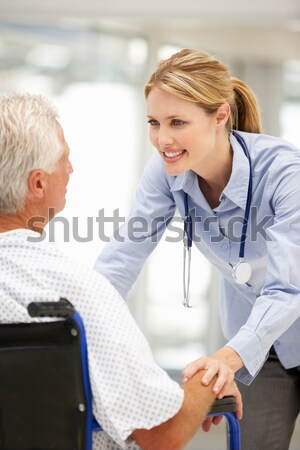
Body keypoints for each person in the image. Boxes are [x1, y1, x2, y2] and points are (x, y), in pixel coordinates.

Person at [0, 92, 242, 450]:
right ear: (37, 183)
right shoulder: (70, 292)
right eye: (65, 159)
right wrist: (208, 379)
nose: (71, 169)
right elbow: (162, 432)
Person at [95, 49, 300, 450]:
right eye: (154, 123)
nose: (163, 139)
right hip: (260, 349)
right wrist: (78, 329)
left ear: (220, 116)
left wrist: (226, 357)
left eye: (177, 122)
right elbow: (122, 257)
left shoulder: (285, 173)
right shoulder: (167, 171)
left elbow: (288, 288)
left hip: (250, 341)